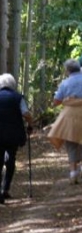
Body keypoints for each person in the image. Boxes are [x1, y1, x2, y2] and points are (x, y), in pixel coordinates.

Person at [0, 73, 33, 204]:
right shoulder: (18, 97)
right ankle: (5, 189)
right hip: (13, 135)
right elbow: (26, 114)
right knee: (11, 160)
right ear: (13, 85)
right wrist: (30, 125)